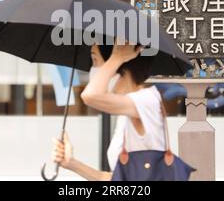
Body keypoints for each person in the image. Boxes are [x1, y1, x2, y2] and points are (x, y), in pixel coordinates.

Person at [52, 43, 166, 180]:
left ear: (118, 66)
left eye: (95, 60)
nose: (93, 69)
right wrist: (72, 163)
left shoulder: (147, 100)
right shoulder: (127, 111)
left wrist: (116, 57)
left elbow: (90, 95)